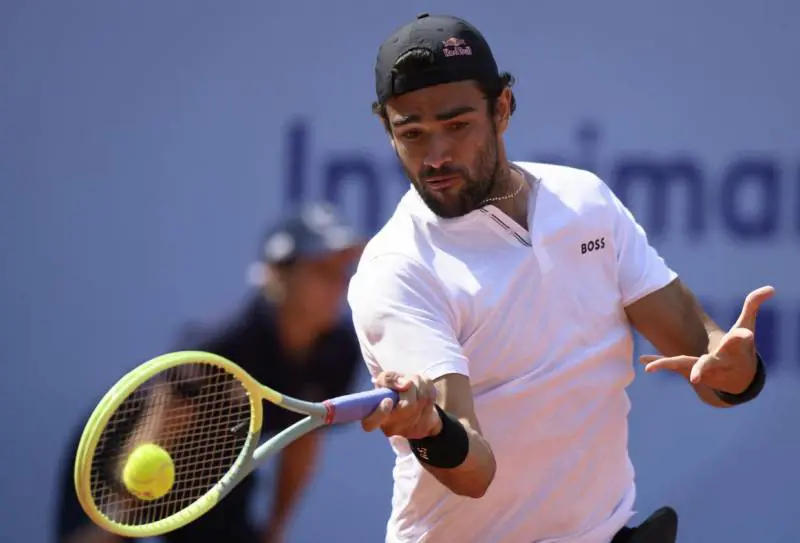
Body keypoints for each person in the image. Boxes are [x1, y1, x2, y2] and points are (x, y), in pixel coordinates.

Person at [347, 13, 772, 543]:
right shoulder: (396, 272)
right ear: (387, 132)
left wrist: (735, 369)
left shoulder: (584, 200)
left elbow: (710, 365)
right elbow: (473, 472)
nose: (436, 157)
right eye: (412, 134)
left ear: (501, 108)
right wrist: (431, 429)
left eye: (457, 126)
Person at [55, 201, 365, 543]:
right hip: (125, 451)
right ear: (279, 273)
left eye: (343, 271)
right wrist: (113, 525)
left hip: (217, 469)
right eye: (323, 270)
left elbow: (303, 438)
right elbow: (163, 419)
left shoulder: (340, 351)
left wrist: (275, 530)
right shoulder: (225, 342)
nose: (339, 284)